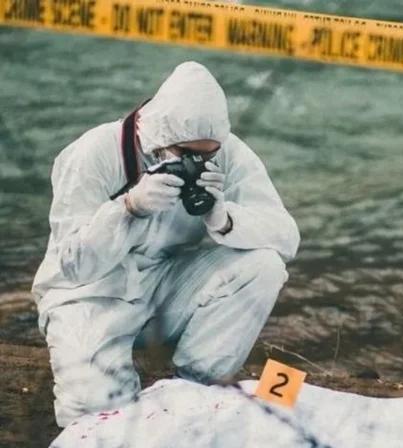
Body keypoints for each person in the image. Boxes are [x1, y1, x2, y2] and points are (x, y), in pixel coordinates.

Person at [31, 61, 300, 428]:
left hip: (162, 287)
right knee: (97, 419)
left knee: (264, 266)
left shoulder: (227, 153)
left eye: (208, 154)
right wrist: (128, 208)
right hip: (87, 295)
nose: (198, 163)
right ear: (156, 139)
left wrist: (225, 219)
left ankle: (193, 388)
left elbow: (286, 237)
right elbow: (72, 266)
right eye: (187, 153)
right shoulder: (93, 153)